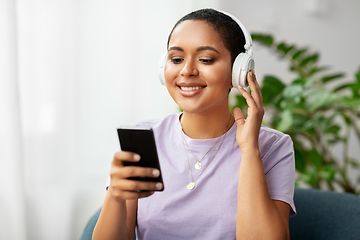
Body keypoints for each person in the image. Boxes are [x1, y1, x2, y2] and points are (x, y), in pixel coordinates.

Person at [93, 8, 296, 240]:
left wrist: (249, 150)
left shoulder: (273, 146)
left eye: (206, 59)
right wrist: (116, 197)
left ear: (238, 71)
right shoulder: (144, 138)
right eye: (176, 59)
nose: (187, 71)